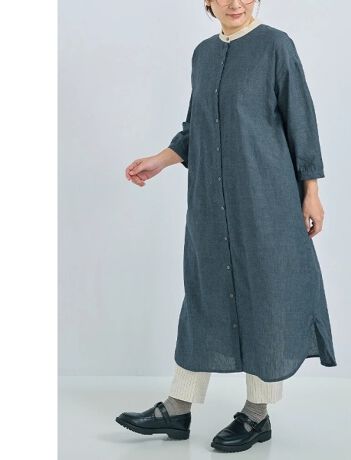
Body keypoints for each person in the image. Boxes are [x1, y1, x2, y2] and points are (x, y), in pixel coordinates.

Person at [116, 0, 337, 453]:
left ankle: (257, 415)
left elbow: (301, 120)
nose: (235, 2)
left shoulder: (275, 46)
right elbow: (196, 126)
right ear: (208, 2)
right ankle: (177, 409)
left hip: (265, 200)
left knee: (267, 298)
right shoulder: (203, 54)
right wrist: (160, 160)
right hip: (210, 204)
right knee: (204, 296)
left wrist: (311, 191)